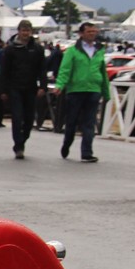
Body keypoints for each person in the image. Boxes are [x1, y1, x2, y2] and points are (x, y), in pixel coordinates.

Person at [53, 21, 110, 163]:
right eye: (89, 32)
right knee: (71, 121)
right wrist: (60, 85)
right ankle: (67, 144)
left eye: (94, 32)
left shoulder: (99, 50)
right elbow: (65, 70)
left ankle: (87, 152)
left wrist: (105, 91)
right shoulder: (73, 51)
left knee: (89, 122)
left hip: (93, 89)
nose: (92, 34)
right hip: (76, 90)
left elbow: (102, 71)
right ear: (81, 34)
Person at [0, 20, 47, 159]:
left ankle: (23, 139)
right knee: (17, 117)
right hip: (15, 87)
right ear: (18, 32)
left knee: (29, 118)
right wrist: (3, 90)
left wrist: (43, 86)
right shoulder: (10, 49)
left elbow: (42, 69)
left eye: (28, 31)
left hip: (31, 87)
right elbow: (5, 71)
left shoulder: (37, 49)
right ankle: (18, 146)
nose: (25, 33)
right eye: (23, 31)